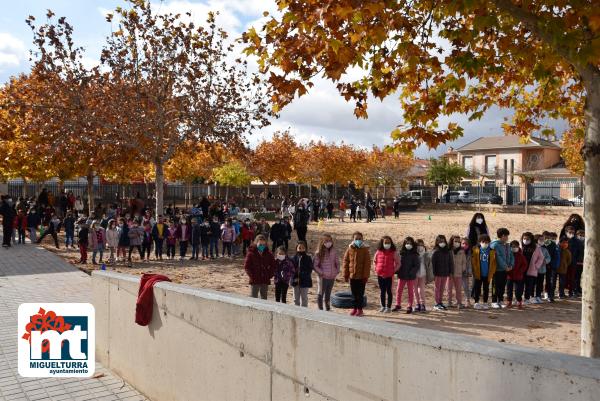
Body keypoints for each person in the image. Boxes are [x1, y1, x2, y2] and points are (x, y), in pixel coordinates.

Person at [342, 232, 371, 317]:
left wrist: (365, 276)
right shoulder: (349, 249)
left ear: (362, 240)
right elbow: (345, 262)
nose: (358, 240)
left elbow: (367, 264)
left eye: (359, 239)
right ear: (353, 240)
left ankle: (360, 309)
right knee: (353, 294)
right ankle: (354, 308)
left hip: (361, 277)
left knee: (360, 294)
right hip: (352, 276)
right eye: (356, 239)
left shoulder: (365, 250)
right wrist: (345, 275)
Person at [244, 235, 276, 299]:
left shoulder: (269, 254)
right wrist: (252, 276)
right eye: (260, 244)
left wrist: (269, 275)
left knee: (264, 297)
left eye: (263, 244)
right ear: (256, 243)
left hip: (265, 279)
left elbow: (273, 265)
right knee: (253, 297)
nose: (262, 246)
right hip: (255, 279)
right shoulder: (251, 253)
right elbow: (247, 266)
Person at [313, 234, 339, 311]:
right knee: (321, 293)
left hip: (332, 277)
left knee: (328, 294)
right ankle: (320, 309)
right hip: (323, 277)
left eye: (330, 240)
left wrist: (337, 270)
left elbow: (337, 262)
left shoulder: (333, 251)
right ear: (322, 242)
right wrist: (321, 273)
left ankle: (327, 308)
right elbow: (315, 265)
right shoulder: (318, 253)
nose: (328, 242)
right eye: (326, 241)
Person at [374, 236, 399, 313]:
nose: (387, 244)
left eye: (389, 242)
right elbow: (375, 261)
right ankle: (383, 306)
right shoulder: (378, 252)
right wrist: (376, 269)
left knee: (389, 291)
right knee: (382, 291)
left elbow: (398, 263)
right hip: (380, 275)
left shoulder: (394, 252)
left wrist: (393, 271)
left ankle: (388, 307)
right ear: (382, 243)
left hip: (389, 275)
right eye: (385, 243)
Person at [490, 228, 513, 308]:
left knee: (502, 286)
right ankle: (494, 301)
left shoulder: (507, 245)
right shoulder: (495, 245)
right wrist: (505, 266)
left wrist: (511, 265)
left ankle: (500, 300)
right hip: (497, 270)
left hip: (505, 270)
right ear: (502, 236)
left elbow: (511, 256)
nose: (507, 238)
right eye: (506, 236)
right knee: (495, 286)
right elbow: (498, 257)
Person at [471, 234, 496, 310]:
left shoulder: (492, 251)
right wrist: (475, 271)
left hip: (487, 274)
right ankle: (476, 302)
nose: (485, 243)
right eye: (483, 242)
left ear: (489, 242)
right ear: (479, 242)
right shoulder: (475, 250)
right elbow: (473, 261)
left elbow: (494, 263)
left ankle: (485, 302)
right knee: (477, 288)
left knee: (486, 289)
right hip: (478, 274)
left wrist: (492, 272)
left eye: (487, 242)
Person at [396, 237, 420, 313]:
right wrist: (397, 271)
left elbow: (416, 265)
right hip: (402, 275)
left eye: (410, 243)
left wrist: (412, 272)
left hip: (410, 277)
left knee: (410, 292)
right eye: (407, 243)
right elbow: (398, 263)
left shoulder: (415, 255)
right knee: (399, 290)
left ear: (413, 244)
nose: (408, 245)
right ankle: (398, 304)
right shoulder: (401, 253)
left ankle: (409, 306)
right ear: (404, 244)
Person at [432, 235, 453, 311]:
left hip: (445, 273)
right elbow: (433, 264)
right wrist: (433, 274)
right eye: (440, 241)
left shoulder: (447, 251)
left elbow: (450, 262)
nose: (442, 243)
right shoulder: (435, 252)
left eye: (443, 241)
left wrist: (450, 272)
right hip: (437, 273)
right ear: (437, 242)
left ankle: (440, 302)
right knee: (437, 288)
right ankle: (436, 303)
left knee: (442, 288)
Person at [524, 234, 546, 304]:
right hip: (522, 269)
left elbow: (541, 258)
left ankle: (528, 298)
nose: (526, 240)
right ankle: (520, 299)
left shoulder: (536, 248)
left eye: (528, 239)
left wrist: (536, 266)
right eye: (524, 239)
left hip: (532, 269)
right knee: (521, 285)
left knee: (530, 284)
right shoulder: (521, 246)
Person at [506, 240, 528, 309]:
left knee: (518, 291)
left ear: (518, 247)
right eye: (513, 246)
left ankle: (519, 301)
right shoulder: (508, 255)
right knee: (509, 290)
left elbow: (525, 264)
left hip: (519, 276)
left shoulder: (521, 256)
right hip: (510, 276)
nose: (514, 248)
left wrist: (521, 271)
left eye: (516, 246)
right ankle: (509, 301)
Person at [291, 241, 313, 307]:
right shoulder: (293, 258)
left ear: (305, 248)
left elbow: (309, 270)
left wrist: (300, 277)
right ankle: (296, 314)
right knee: (295, 299)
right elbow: (291, 270)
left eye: (303, 248)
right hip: (295, 282)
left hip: (305, 282)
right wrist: (294, 278)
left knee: (304, 298)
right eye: (299, 248)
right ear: (296, 248)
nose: (301, 249)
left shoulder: (308, 258)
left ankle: (304, 313)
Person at [414, 239, 433, 312]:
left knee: (421, 289)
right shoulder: (414, 254)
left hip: (423, 273)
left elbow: (429, 265)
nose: (420, 247)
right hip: (414, 274)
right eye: (418, 245)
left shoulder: (426, 254)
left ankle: (423, 304)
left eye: (421, 245)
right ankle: (417, 304)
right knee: (414, 289)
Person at [448, 235, 467, 308]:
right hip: (450, 273)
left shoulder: (462, 251)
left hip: (459, 273)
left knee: (458, 289)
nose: (457, 243)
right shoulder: (449, 251)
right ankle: (449, 302)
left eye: (459, 241)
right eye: (455, 241)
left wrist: (463, 269)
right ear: (452, 242)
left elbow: (464, 261)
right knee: (449, 289)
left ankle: (459, 302)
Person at [543, 231, 560, 302]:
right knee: (539, 280)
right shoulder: (541, 244)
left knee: (550, 281)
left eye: (548, 238)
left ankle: (550, 295)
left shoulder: (553, 245)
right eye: (545, 237)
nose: (547, 239)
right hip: (540, 265)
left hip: (550, 265)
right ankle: (540, 294)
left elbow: (556, 256)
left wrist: (552, 264)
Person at [460, 237, 473, 308]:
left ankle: (467, 300)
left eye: (466, 244)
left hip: (465, 272)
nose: (464, 245)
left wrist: (469, 271)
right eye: (463, 243)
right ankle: (458, 301)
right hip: (457, 272)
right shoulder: (458, 251)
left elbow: (470, 263)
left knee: (466, 287)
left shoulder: (470, 253)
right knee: (458, 287)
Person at [574, 229, 585, 296]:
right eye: (580, 235)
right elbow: (574, 254)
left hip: (582, 262)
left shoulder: (583, 242)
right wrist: (576, 262)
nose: (581, 236)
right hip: (576, 262)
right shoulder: (576, 243)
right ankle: (575, 290)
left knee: (579, 276)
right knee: (576, 277)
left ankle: (578, 288)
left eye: (583, 235)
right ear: (577, 235)